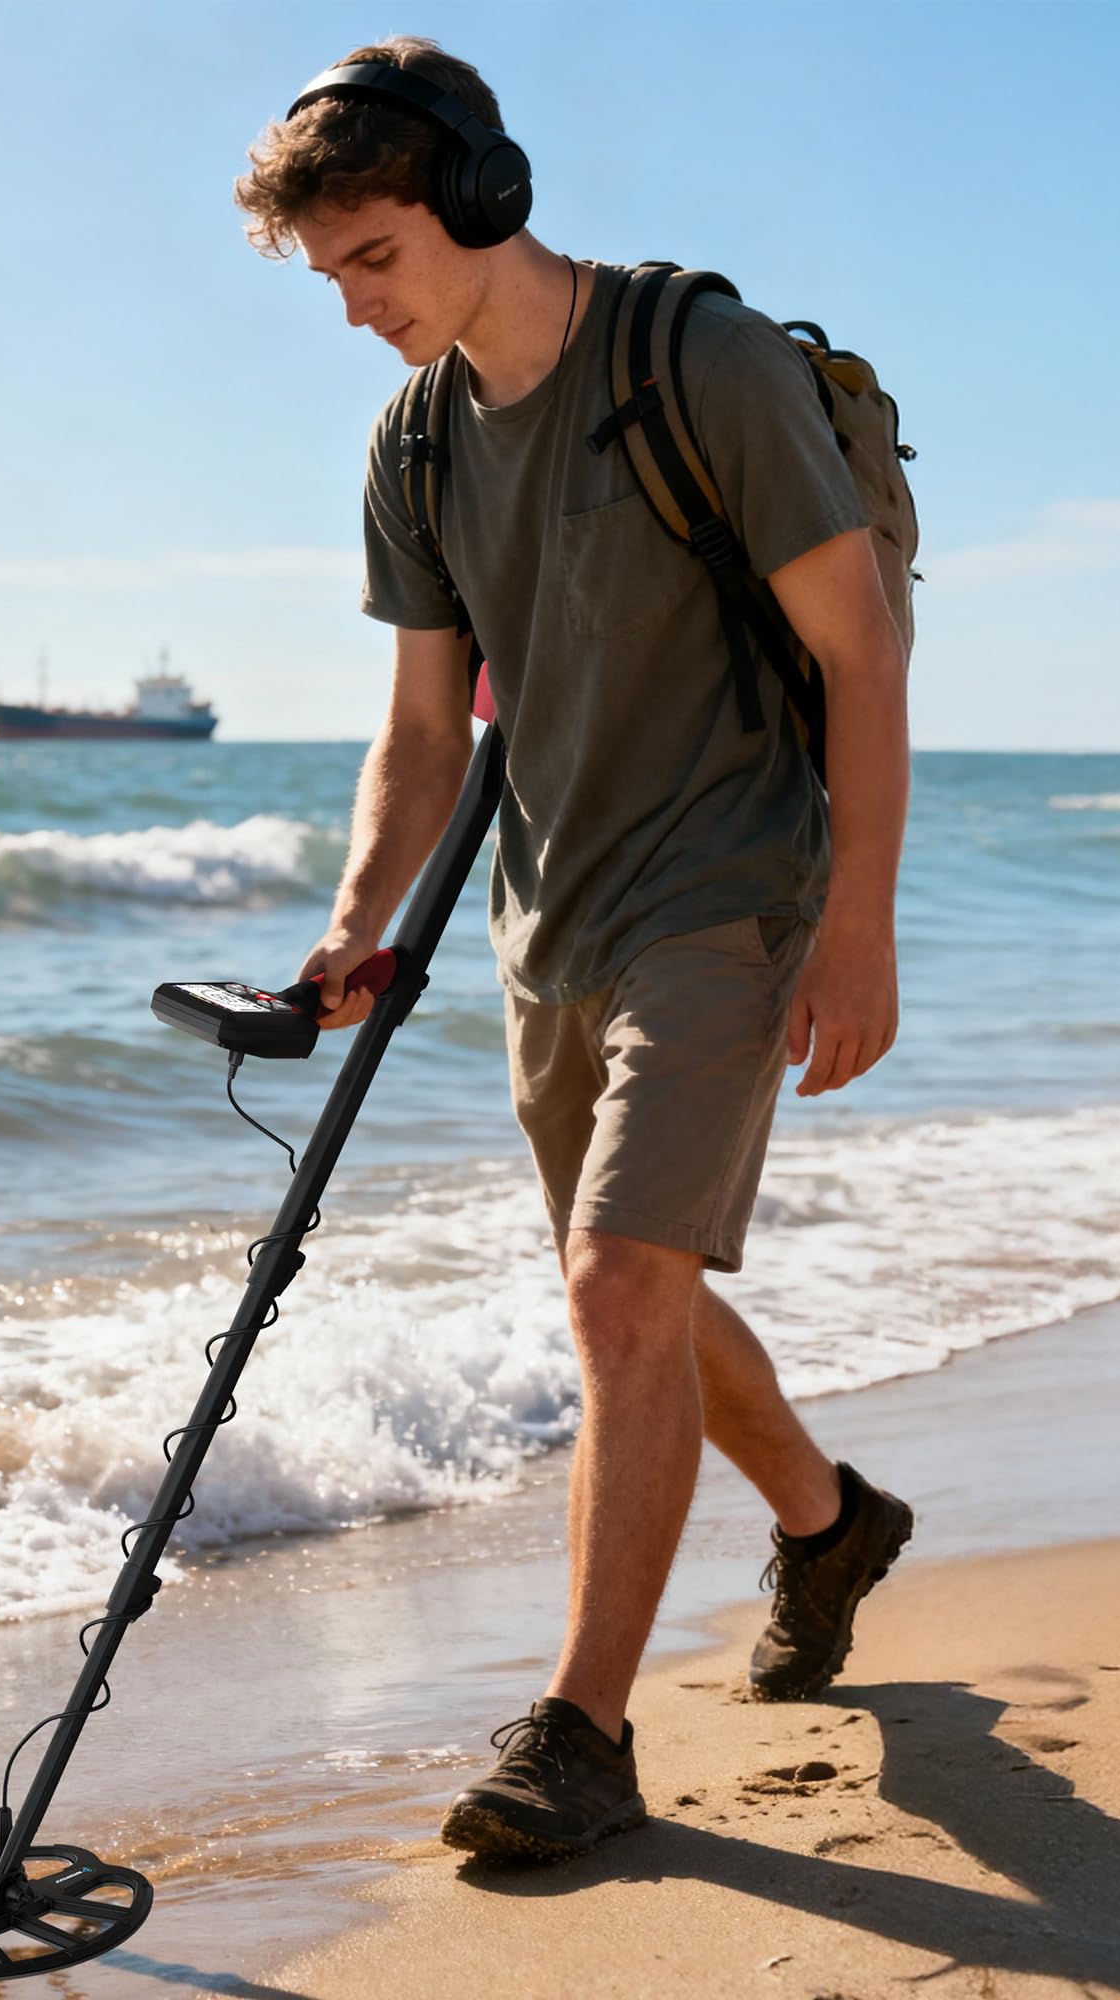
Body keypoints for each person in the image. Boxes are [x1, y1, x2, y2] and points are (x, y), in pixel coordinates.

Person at [235, 36, 915, 1865]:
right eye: (331, 277)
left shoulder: (691, 360)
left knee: (620, 1283)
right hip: (554, 917)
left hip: (737, 884)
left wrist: (858, 930)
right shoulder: (417, 440)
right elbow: (423, 727)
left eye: (374, 256)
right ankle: (830, 1520)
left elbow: (858, 649)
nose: (356, 306)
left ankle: (582, 1735)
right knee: (644, 1298)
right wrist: (357, 920)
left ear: (478, 198)